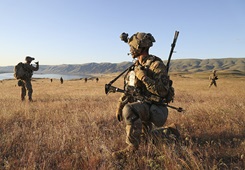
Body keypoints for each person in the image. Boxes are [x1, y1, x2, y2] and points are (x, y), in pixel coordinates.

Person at [112, 32, 174, 158]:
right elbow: (130, 89)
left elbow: (163, 91)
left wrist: (144, 77)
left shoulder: (156, 65)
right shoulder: (137, 65)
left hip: (156, 108)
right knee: (147, 138)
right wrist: (120, 104)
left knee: (129, 109)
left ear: (141, 47)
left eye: (132, 47)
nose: (130, 50)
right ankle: (171, 131)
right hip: (144, 105)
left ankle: (131, 149)